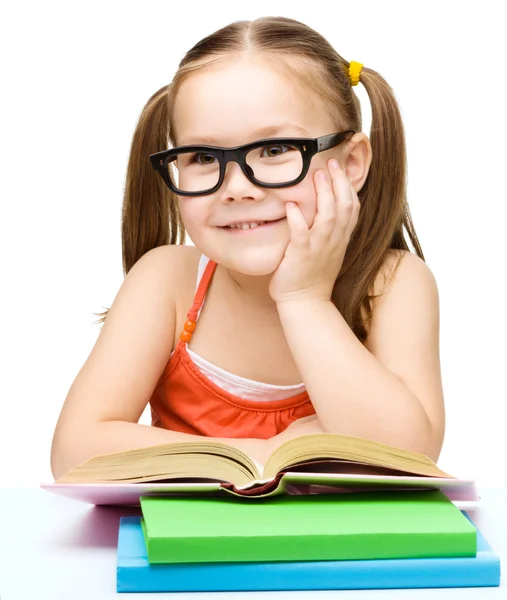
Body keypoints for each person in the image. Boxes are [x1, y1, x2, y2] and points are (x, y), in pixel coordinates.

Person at [50, 16, 445, 480]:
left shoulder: (393, 283)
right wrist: (269, 455)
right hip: (192, 549)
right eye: (202, 157)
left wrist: (305, 300)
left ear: (352, 163)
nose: (237, 188)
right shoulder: (167, 281)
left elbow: (406, 455)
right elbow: (75, 452)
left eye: (276, 150)